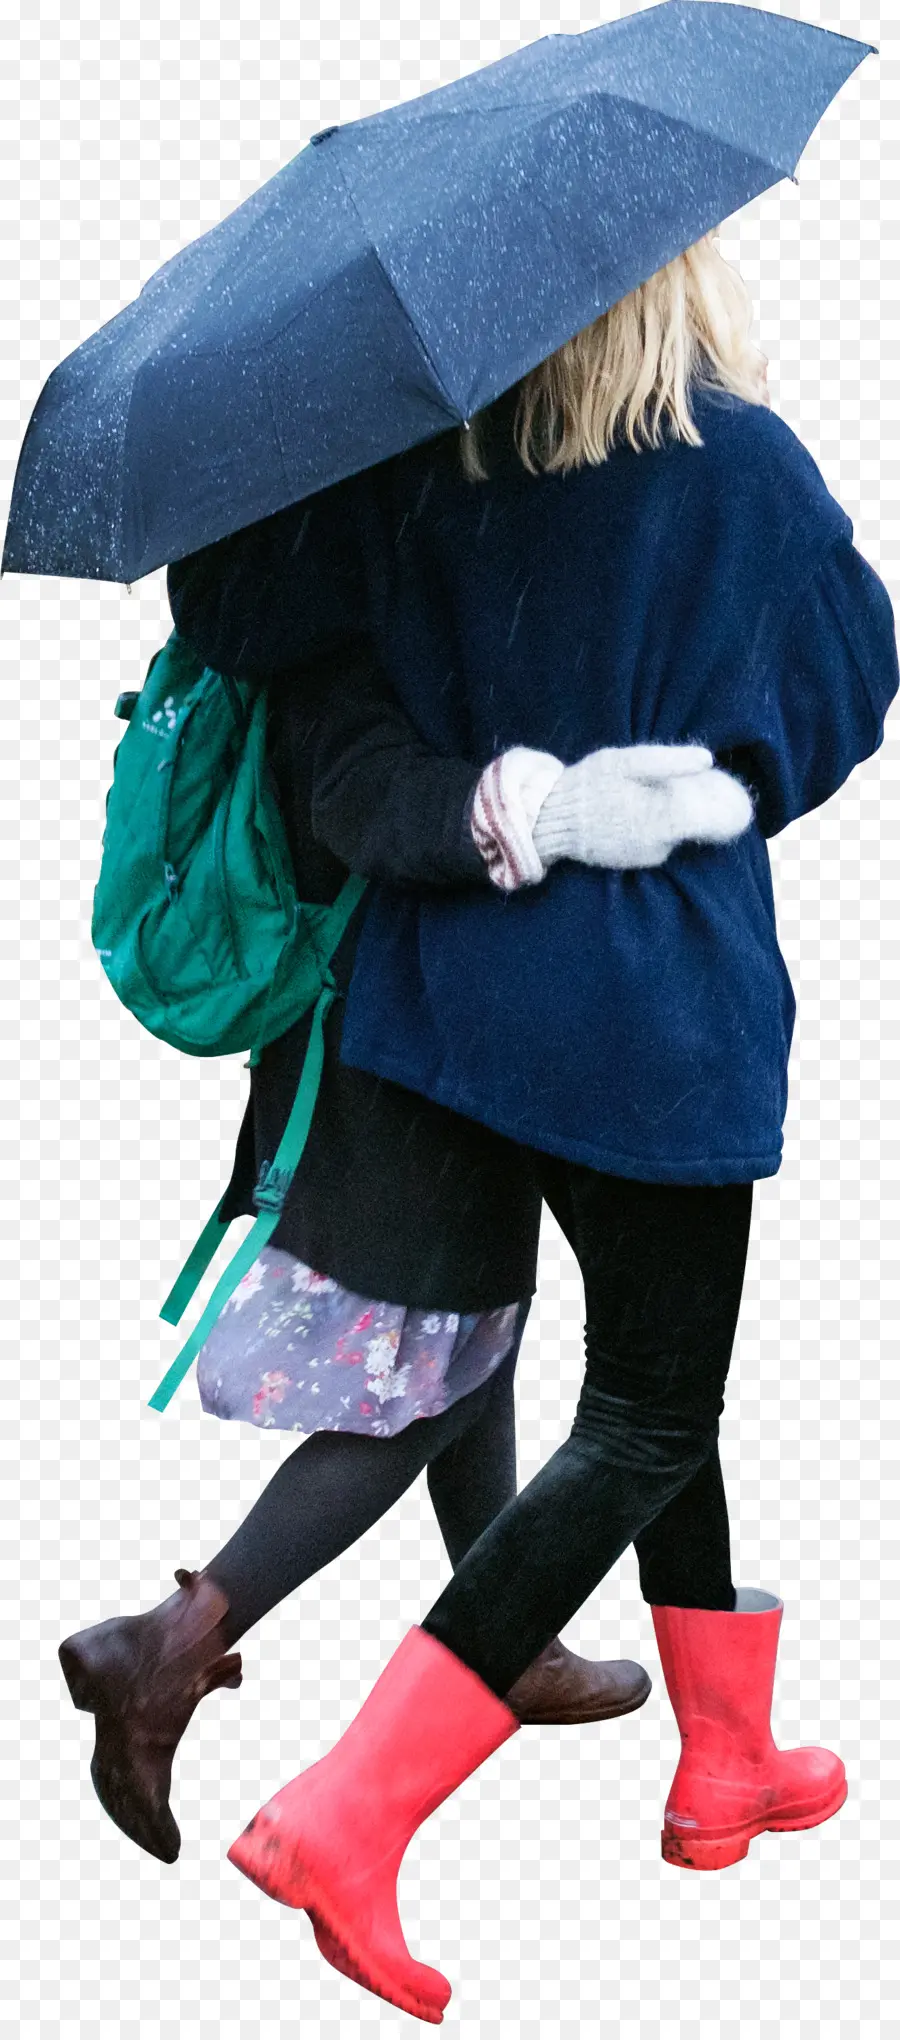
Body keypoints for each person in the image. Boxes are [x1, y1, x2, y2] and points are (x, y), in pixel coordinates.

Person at [165, 228, 898, 2021]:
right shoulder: (754, 472)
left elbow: (241, 622)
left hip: (443, 1015)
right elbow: (849, 687)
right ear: (683, 287)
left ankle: (731, 1757)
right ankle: (352, 1812)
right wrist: (711, 785)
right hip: (655, 1019)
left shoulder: (424, 472)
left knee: (651, 1386)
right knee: (650, 1410)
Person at [58, 633, 747, 1865]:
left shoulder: (278, 536)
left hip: (364, 999)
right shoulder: (354, 561)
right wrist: (520, 807)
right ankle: (164, 1646)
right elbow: (359, 789)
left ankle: (518, 1637)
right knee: (435, 1376)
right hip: (396, 1010)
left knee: (479, 1316)